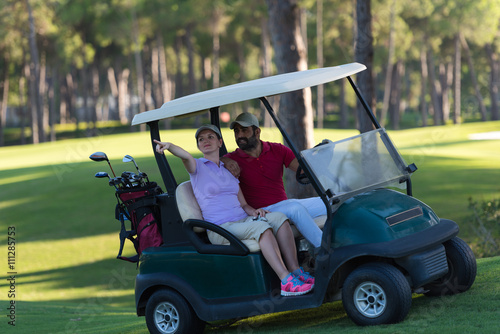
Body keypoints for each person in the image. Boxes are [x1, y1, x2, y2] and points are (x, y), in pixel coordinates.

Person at [153, 124, 314, 296]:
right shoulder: (197, 167)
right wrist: (169, 146)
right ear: (199, 146)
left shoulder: (229, 170)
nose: (205, 141)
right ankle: (286, 281)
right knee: (262, 228)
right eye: (201, 139)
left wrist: (254, 212)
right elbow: (184, 156)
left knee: (280, 219)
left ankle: (295, 271)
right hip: (221, 228)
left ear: (220, 142)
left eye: (210, 137)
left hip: (242, 221)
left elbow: (243, 204)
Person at [221, 113, 325, 250]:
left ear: (257, 132)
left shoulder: (277, 149)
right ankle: (325, 250)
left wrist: (323, 155)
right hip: (261, 213)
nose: (239, 135)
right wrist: (224, 160)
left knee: (330, 201)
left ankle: (346, 242)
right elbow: (211, 164)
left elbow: (303, 171)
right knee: (295, 208)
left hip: (284, 205)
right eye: (236, 131)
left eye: (244, 130)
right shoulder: (232, 159)